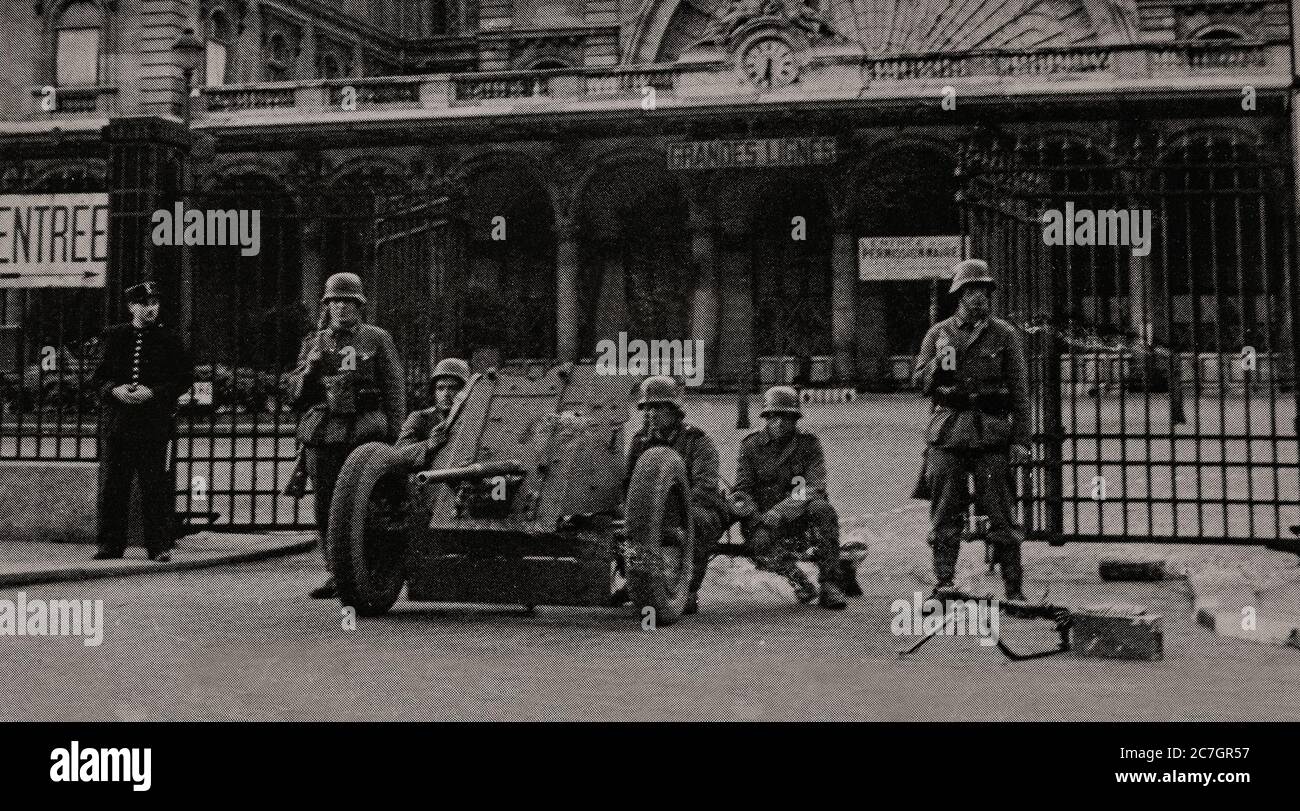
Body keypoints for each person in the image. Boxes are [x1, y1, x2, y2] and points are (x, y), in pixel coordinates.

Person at [913, 259, 1032, 600]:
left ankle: (1013, 588)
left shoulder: (1004, 334)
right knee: (945, 511)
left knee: (1001, 513)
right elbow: (919, 382)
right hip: (948, 432)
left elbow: (1020, 392)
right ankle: (944, 582)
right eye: (971, 291)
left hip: (992, 433)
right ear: (959, 295)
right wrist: (938, 364)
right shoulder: (938, 334)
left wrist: (1021, 441)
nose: (978, 297)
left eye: (983, 291)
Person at [288, 272, 405, 599]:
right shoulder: (315, 342)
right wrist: (310, 369)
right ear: (326, 306)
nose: (341, 308)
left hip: (367, 431)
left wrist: (396, 438)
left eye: (348, 302)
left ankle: (365, 568)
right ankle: (336, 571)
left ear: (360, 306)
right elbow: (295, 396)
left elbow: (394, 389)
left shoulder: (377, 339)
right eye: (335, 301)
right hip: (326, 435)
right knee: (327, 505)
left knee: (367, 504)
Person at [91, 281, 194, 562]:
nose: (151, 309)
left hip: (153, 424)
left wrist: (155, 392)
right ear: (131, 307)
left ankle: (159, 545)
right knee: (114, 485)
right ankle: (110, 544)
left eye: (154, 304)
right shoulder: (114, 337)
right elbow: (97, 377)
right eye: (144, 304)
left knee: (155, 485)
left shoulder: (169, 340)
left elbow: (184, 378)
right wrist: (114, 389)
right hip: (119, 424)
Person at [733, 386, 848, 610]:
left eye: (786, 416)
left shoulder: (809, 445)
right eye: (773, 416)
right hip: (765, 519)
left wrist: (781, 511)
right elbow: (743, 488)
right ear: (765, 418)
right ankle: (797, 579)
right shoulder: (751, 446)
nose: (779, 422)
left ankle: (830, 584)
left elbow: (814, 486)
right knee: (758, 545)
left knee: (822, 510)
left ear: (795, 419)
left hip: (800, 517)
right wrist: (753, 514)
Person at [624, 376, 730, 615]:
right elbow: (629, 483)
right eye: (647, 408)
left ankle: (687, 588)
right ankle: (639, 584)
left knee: (695, 522)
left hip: (700, 507)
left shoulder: (698, 441)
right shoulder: (640, 442)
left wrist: (668, 510)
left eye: (658, 407)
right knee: (624, 525)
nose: (651, 413)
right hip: (655, 510)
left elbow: (705, 487)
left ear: (674, 410)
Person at [394, 357, 470, 469]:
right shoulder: (420, 418)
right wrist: (428, 445)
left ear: (464, 391)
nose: (446, 394)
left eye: (453, 388)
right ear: (434, 391)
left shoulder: (472, 419)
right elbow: (397, 456)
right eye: (440, 388)